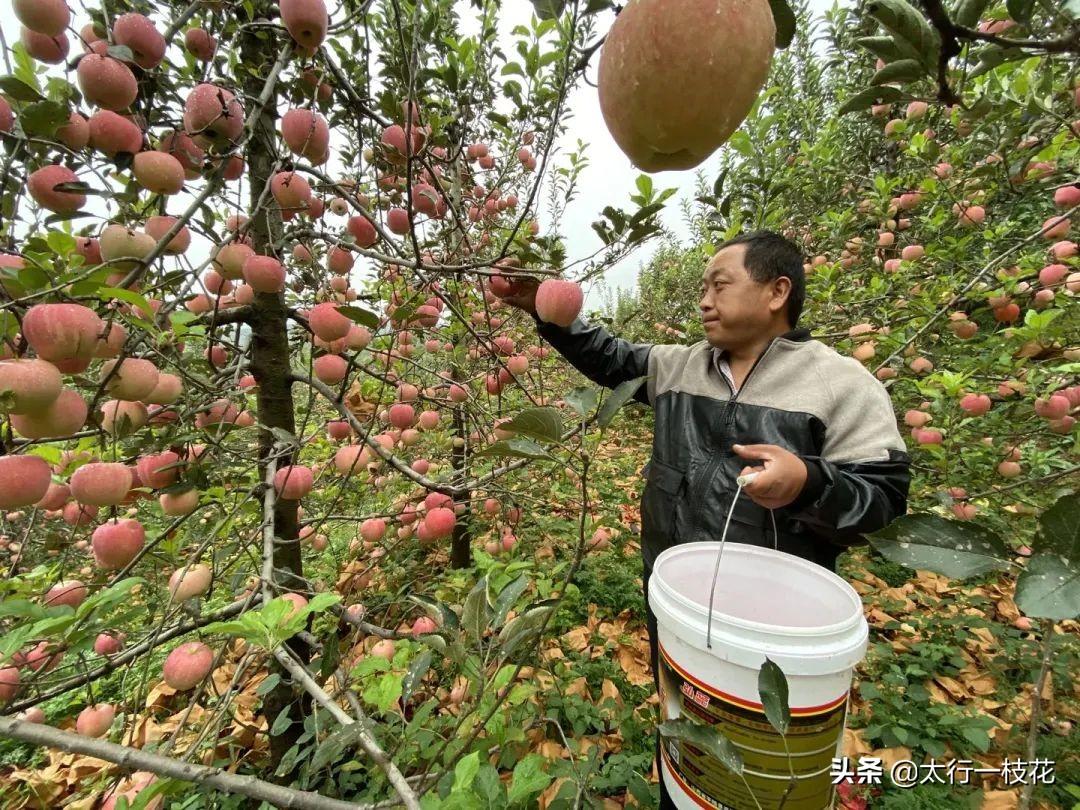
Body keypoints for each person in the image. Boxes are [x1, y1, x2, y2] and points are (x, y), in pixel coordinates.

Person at [494, 230, 911, 809]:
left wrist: (808, 482)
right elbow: (611, 358)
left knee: (760, 749)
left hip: (773, 615)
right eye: (702, 289)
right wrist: (552, 317)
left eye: (721, 285)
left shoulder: (839, 384)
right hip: (675, 593)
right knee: (685, 721)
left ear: (776, 291)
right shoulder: (680, 365)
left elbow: (884, 499)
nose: (705, 301)